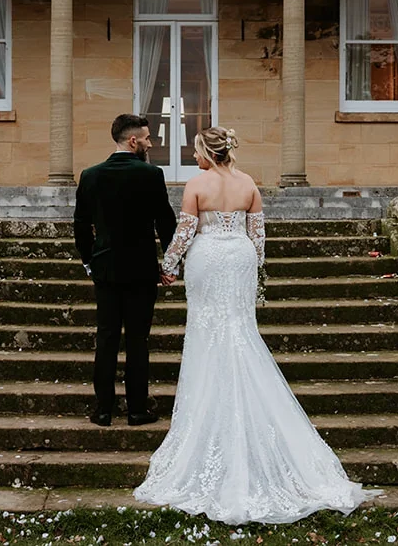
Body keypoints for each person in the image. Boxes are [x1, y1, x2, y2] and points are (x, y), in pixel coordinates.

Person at [134, 125, 374, 524]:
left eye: (196, 151)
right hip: (240, 259)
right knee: (239, 331)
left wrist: (167, 265)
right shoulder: (249, 184)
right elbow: (258, 238)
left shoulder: (196, 184)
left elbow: (185, 232)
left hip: (209, 259)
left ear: (208, 153)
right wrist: (253, 271)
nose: (194, 158)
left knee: (210, 335)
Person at [73, 113, 178, 427]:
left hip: (105, 268)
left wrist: (90, 261)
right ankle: (136, 410)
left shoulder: (90, 175)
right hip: (141, 270)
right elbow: (166, 223)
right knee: (137, 341)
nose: (149, 143)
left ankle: (103, 410)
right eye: (146, 138)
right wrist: (170, 262)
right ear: (133, 141)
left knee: (105, 338)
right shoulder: (151, 175)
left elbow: (80, 226)